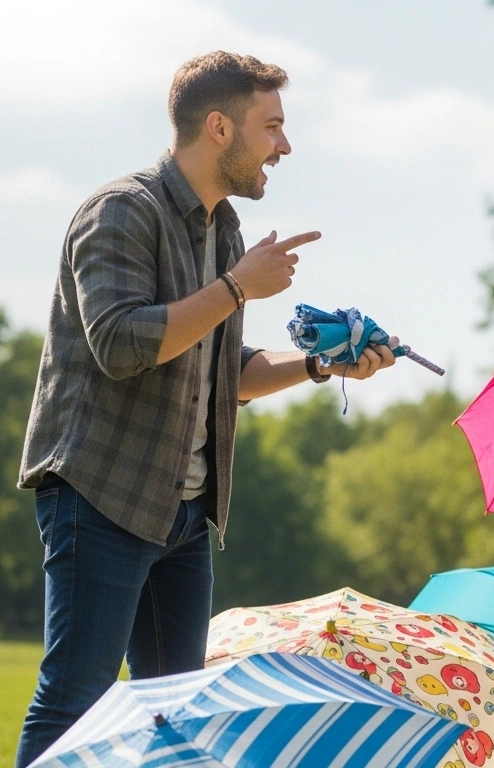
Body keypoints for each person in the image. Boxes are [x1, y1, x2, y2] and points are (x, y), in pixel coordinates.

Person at [14, 51, 399, 766]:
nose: (284, 146)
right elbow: (123, 345)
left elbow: (229, 373)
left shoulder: (221, 231)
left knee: (174, 718)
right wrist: (237, 287)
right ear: (219, 128)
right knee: (77, 698)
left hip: (184, 512)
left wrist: (322, 364)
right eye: (273, 127)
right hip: (101, 496)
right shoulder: (121, 212)